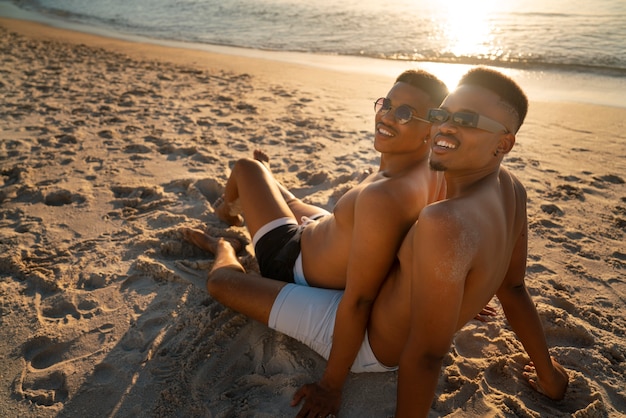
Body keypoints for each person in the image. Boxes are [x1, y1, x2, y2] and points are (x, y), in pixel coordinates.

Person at [199, 67, 569, 417]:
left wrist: (331, 384)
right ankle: (271, 193)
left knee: (221, 277)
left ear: (504, 142)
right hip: (342, 258)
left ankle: (226, 247)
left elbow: (424, 356)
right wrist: (548, 375)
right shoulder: (511, 188)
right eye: (443, 114)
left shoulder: (444, 221)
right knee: (300, 206)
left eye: (467, 120)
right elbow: (513, 286)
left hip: (362, 338)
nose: (445, 126)